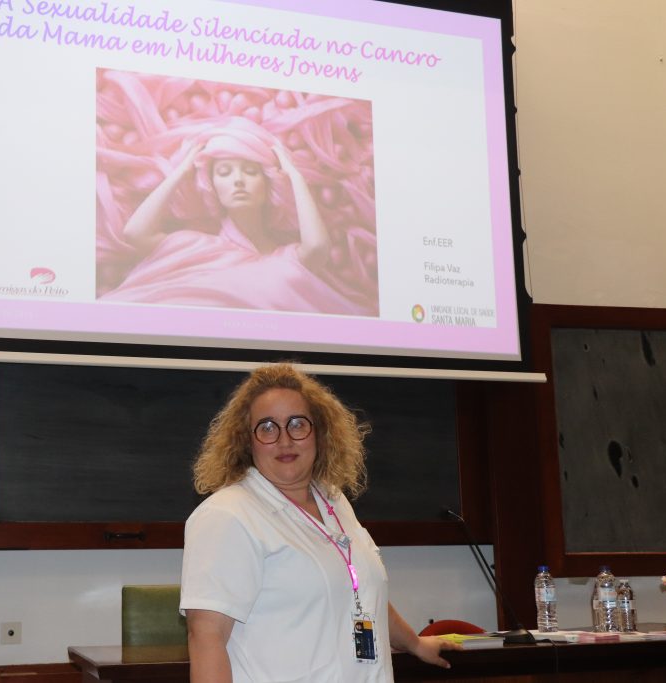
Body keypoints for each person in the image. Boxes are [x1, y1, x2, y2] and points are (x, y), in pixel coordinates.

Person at [179, 363, 458, 682]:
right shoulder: (226, 515)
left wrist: (415, 643)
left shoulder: (334, 501)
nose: (284, 440)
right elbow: (207, 638)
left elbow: (360, 590)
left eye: (297, 424)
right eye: (267, 428)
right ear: (246, 441)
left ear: (320, 432)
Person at [99, 118, 374, 315]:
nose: (238, 180)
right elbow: (134, 233)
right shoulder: (193, 245)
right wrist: (181, 172)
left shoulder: (287, 258)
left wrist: (294, 176)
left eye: (250, 171)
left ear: (268, 183)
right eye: (224, 172)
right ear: (212, 186)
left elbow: (316, 247)